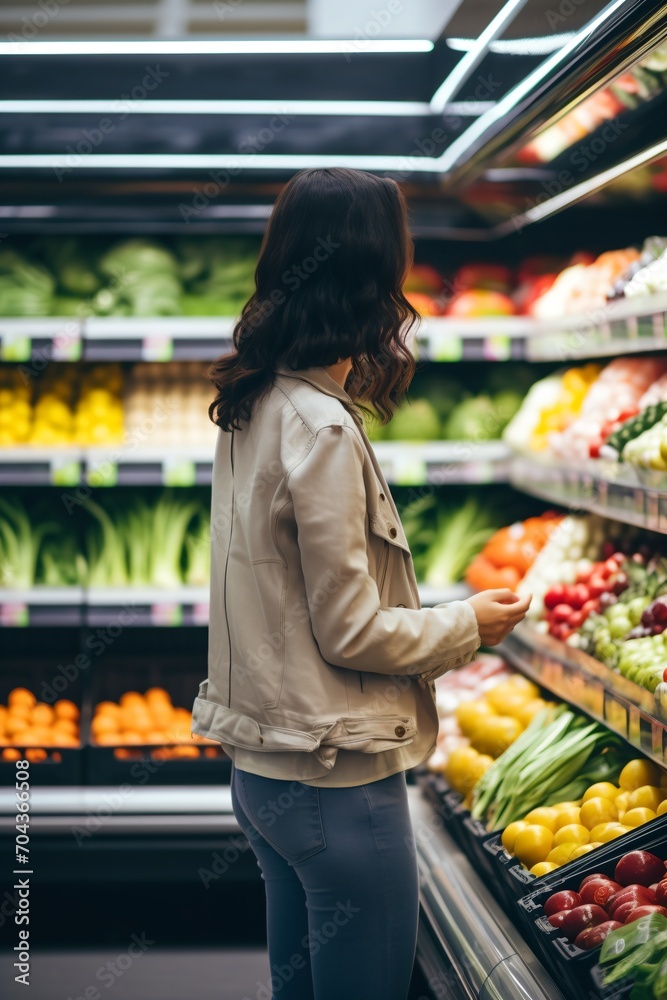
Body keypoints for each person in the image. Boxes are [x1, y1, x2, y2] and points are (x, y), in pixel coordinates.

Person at [191, 166, 531, 1000]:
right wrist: (465, 626)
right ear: (376, 277)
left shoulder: (252, 402)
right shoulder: (322, 426)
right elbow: (350, 630)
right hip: (336, 782)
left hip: (265, 772)